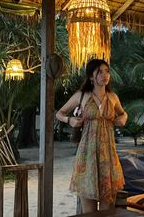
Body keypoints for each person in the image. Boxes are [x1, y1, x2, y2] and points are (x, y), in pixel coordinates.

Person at [56, 59, 128, 213]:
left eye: (107, 71)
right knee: (89, 211)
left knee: (107, 209)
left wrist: (122, 119)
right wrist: (70, 120)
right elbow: (59, 113)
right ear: (91, 76)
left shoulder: (113, 97)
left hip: (108, 155)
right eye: (100, 71)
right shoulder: (81, 96)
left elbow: (123, 114)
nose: (105, 75)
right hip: (87, 155)